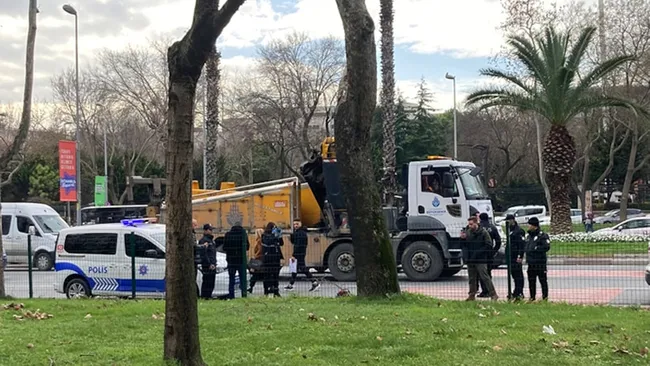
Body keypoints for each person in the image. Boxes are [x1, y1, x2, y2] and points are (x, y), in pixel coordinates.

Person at [461, 216, 498, 301]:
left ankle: (493, 294)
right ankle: (471, 294)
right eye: (469, 224)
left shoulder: (483, 232)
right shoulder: (468, 232)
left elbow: (488, 245)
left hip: (480, 259)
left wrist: (479, 252)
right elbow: (464, 245)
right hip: (471, 258)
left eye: (471, 224)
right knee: (471, 278)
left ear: (476, 223)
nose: (470, 226)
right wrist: (462, 239)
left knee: (484, 276)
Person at [285, 219, 319, 292]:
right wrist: (291, 235)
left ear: (300, 224)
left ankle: (314, 282)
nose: (295, 226)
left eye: (297, 224)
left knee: (302, 268)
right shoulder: (298, 232)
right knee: (295, 269)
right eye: (294, 224)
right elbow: (294, 242)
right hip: (301, 252)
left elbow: (298, 245)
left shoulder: (301, 233)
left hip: (299, 253)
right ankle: (291, 284)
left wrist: (294, 255)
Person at [525, 217, 550, 301]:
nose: (528, 226)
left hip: (540, 263)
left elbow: (546, 247)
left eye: (529, 224)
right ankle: (532, 297)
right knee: (531, 281)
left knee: (543, 281)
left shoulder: (542, 235)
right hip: (531, 263)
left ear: (534, 226)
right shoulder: (529, 236)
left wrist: (535, 249)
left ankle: (545, 297)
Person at [223, 222, 250, 299]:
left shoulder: (228, 235)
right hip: (241, 260)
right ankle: (243, 294)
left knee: (231, 279)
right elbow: (247, 247)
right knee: (242, 279)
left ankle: (231, 295)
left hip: (231, 260)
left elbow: (224, 247)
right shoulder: (243, 234)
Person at [477, 213, 501, 298]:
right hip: (489, 253)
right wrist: (494, 251)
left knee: (481, 273)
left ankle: (484, 291)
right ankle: (489, 290)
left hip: (480, 253)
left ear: (480, 219)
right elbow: (498, 241)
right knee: (488, 272)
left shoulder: (479, 228)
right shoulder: (493, 228)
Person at [505, 214, 526, 300]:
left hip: (515, 256)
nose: (507, 222)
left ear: (513, 220)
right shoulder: (510, 230)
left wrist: (520, 256)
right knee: (513, 275)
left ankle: (519, 292)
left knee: (518, 275)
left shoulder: (519, 231)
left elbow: (521, 245)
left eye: (508, 220)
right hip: (510, 256)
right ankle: (515, 291)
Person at [261, 222, 284, 297]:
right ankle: (266, 291)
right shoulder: (264, 235)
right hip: (267, 259)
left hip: (275, 258)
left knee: (275, 276)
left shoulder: (276, 235)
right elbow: (267, 242)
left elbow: (281, 243)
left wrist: (280, 236)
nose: (275, 229)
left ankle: (276, 291)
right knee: (267, 275)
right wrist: (274, 236)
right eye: (274, 227)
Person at [198, 223, 217, 299]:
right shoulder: (204, 240)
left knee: (211, 282)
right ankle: (205, 296)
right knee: (207, 281)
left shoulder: (211, 240)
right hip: (207, 265)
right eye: (210, 230)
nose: (211, 231)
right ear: (205, 230)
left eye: (211, 230)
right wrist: (209, 264)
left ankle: (208, 296)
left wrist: (214, 263)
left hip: (212, 264)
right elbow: (204, 254)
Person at [247, 228, 264, 293]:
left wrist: (255, 257)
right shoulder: (262, 240)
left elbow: (259, 251)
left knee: (255, 275)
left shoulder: (259, 241)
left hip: (258, 260)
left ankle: (250, 287)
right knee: (257, 275)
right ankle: (251, 287)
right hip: (261, 260)